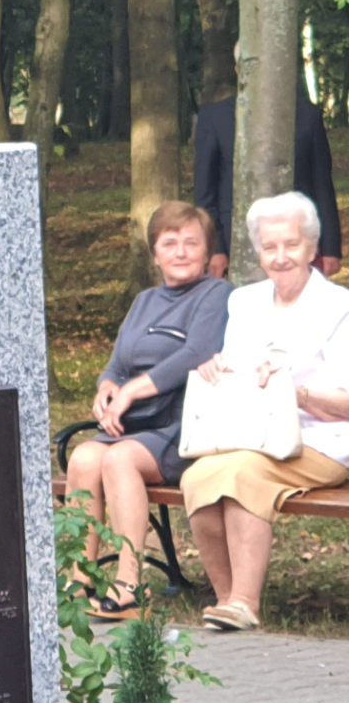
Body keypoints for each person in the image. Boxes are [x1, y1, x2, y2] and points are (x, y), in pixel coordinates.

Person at [181, 191, 349, 632]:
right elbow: (237, 372)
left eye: (291, 244)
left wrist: (298, 394)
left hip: (321, 440)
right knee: (197, 477)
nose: (280, 257)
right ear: (258, 252)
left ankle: (245, 601)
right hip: (254, 434)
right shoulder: (245, 301)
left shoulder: (340, 307)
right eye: (269, 246)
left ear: (312, 247)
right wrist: (218, 370)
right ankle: (225, 599)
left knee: (242, 474)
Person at [65, 203, 231, 620]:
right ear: (154, 253)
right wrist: (107, 389)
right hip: (135, 425)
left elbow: (196, 354)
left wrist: (130, 392)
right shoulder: (144, 301)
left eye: (191, 243)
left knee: (119, 459)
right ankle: (79, 580)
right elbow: (117, 364)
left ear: (207, 252)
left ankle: (130, 585)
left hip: (183, 426)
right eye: (169, 243)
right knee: (84, 457)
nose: (181, 252)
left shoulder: (216, 294)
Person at [194, 88, 341, 278]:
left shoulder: (307, 115)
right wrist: (215, 248)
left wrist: (330, 248)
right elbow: (205, 193)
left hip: (298, 240)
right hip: (235, 243)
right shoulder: (215, 116)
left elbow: (322, 185)